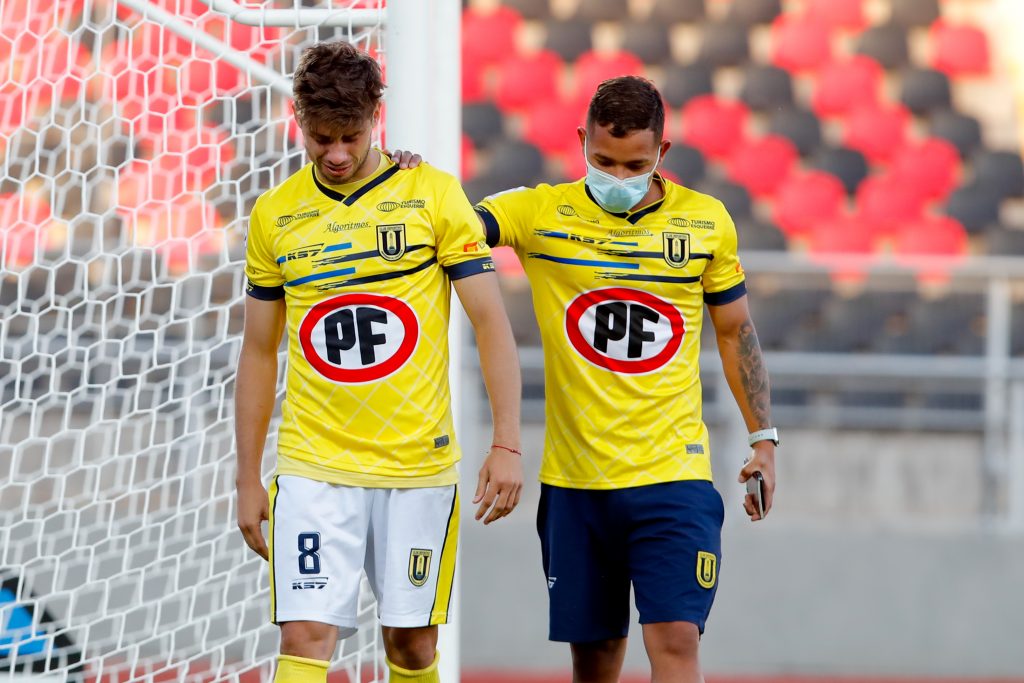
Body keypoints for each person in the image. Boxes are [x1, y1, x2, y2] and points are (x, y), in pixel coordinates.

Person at [234, 41, 523, 683]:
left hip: (415, 462)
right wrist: (247, 476)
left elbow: (491, 323)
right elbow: (258, 351)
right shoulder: (275, 215)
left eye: (351, 136)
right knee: (306, 635)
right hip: (315, 461)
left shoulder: (433, 196)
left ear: (376, 118)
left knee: (411, 646)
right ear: (298, 121)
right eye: (320, 138)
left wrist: (507, 442)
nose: (335, 154)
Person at [474, 76, 777, 682]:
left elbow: (735, 332)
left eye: (634, 163)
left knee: (675, 641)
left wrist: (763, 440)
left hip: (673, 477)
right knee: (595, 664)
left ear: (661, 153)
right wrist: (398, 170)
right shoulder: (538, 212)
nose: (617, 176)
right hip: (575, 481)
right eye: (603, 161)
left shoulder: (705, 223)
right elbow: (453, 226)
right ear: (582, 141)